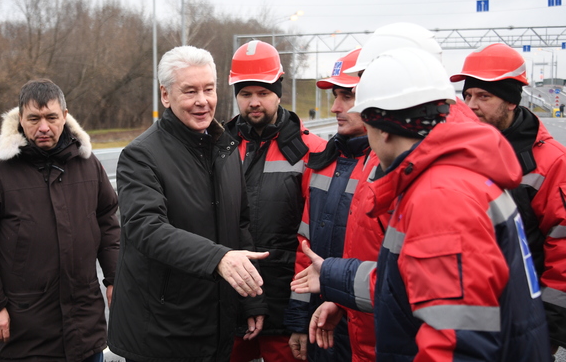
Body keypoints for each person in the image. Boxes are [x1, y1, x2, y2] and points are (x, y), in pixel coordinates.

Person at [292, 47, 551, 361]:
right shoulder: (455, 175)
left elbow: (456, 345)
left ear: (382, 129)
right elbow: (408, 282)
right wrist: (335, 279)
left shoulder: (439, 197)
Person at [108, 45, 269, 362]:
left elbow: (240, 226)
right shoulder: (140, 156)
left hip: (216, 325)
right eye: (190, 91)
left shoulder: (225, 149)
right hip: (161, 332)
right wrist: (218, 258)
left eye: (209, 89)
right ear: (165, 96)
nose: (202, 101)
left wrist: (251, 299)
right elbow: (146, 229)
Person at [0, 79, 119, 362]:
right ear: (20, 119)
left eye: (51, 118)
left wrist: (116, 278)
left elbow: (108, 224)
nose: (43, 127)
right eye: (34, 118)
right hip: (25, 336)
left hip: (85, 329)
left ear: (65, 117)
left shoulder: (87, 164)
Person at [451, 42, 566, 354]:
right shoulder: (456, 149)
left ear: (512, 101)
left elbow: (563, 251)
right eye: (467, 95)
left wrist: (550, 330)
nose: (471, 105)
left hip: (521, 320)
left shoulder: (551, 162)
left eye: (483, 96)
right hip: (460, 314)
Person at [224, 40, 326, 362]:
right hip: (231, 300)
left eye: (263, 93)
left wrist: (300, 314)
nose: (254, 102)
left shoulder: (312, 150)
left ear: (278, 91)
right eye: (245, 94)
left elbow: (314, 240)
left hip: (285, 303)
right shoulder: (219, 147)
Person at [283, 48, 377, 362]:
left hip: (371, 326)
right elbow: (305, 249)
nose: (336, 107)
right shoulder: (322, 163)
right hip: (322, 325)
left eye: (347, 96)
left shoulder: (390, 169)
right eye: (336, 96)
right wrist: (299, 318)